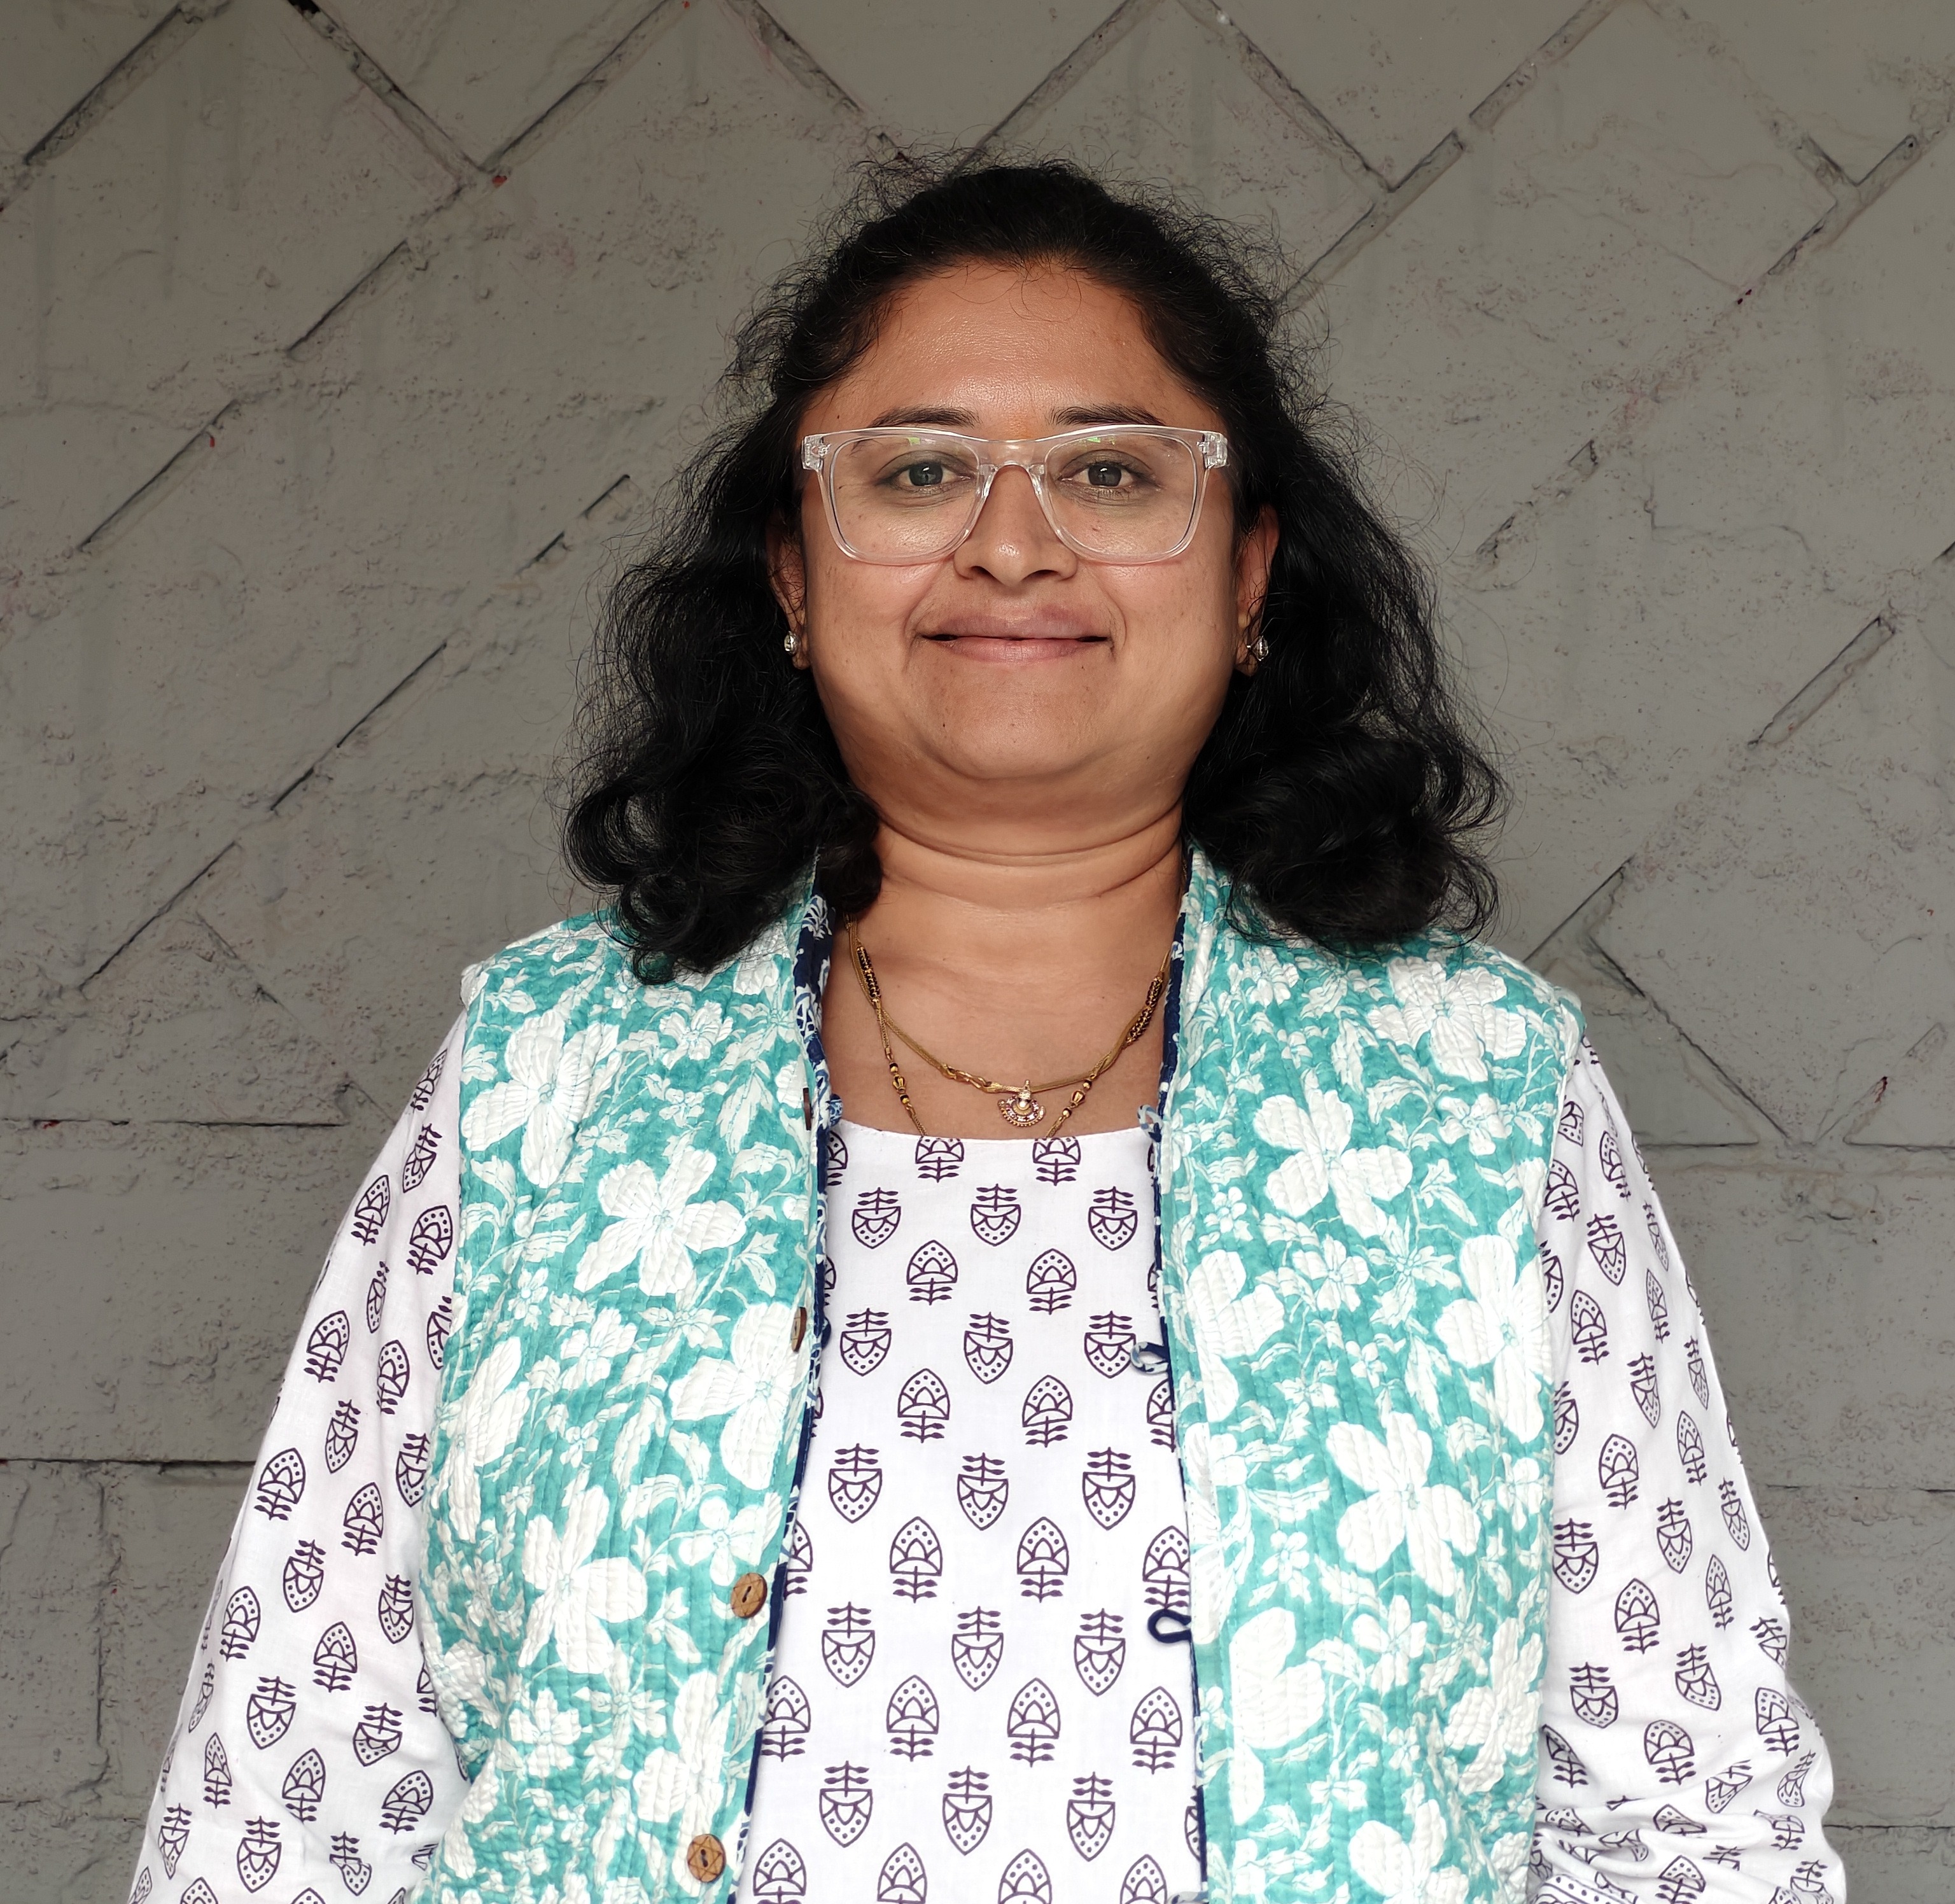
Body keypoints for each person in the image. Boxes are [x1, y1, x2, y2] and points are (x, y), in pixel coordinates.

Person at [129, 160, 1842, 1904]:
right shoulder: (546, 1077)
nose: (1012, 543)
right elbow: (284, 1811)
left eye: (1110, 472)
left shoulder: (1478, 1092)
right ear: (793, 574)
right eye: (918, 471)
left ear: (1251, 572)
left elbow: (1694, 1827)